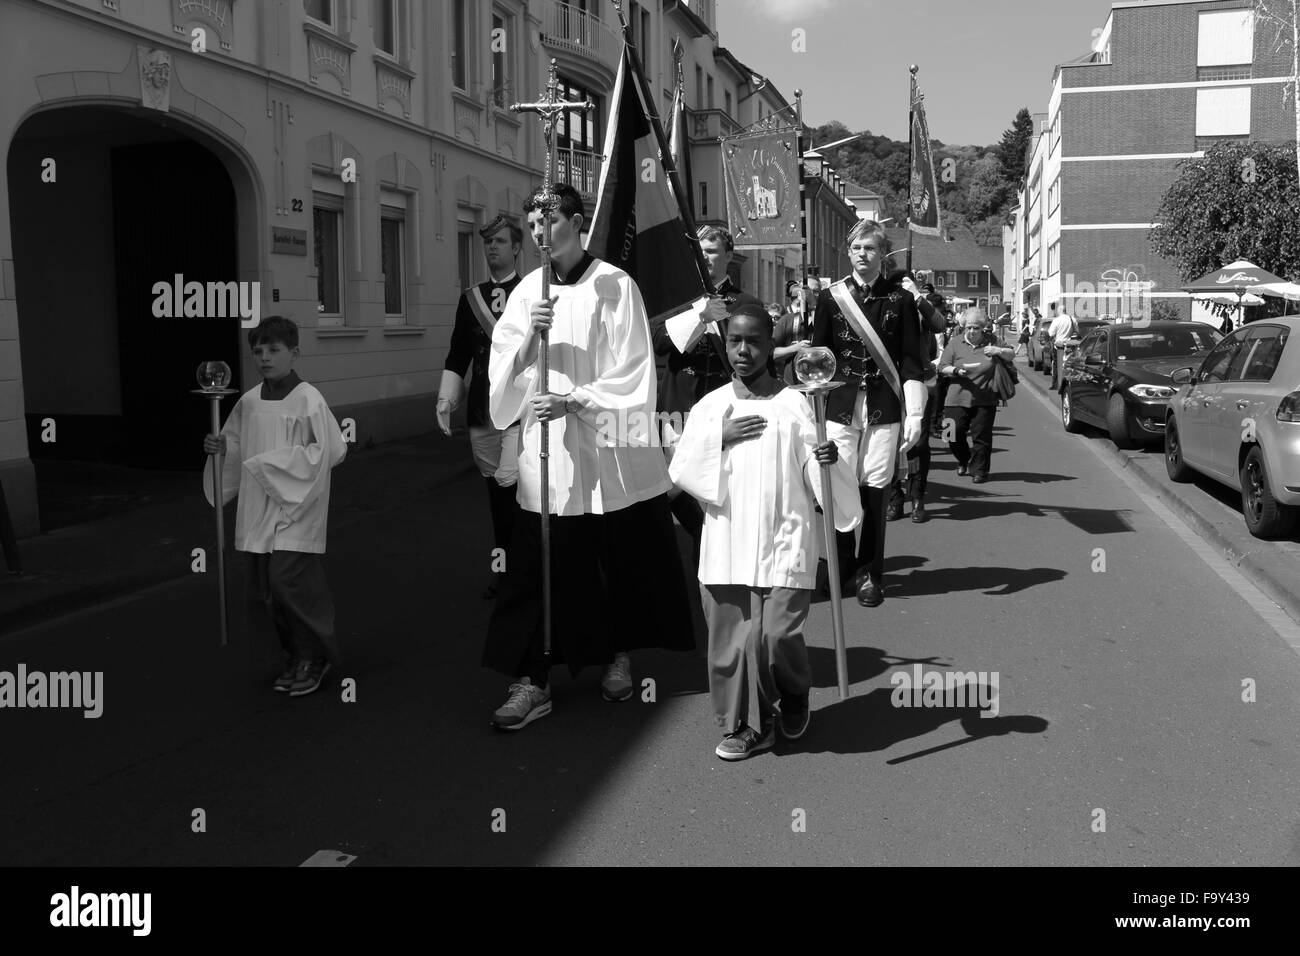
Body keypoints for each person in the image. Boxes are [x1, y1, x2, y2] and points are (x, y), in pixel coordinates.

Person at [483, 183, 694, 730]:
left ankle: (617, 653)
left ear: (576, 223)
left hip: (604, 452)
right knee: (538, 566)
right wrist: (531, 337)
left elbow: (633, 374)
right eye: (530, 226)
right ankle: (533, 678)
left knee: (609, 558)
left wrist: (574, 398)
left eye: (547, 223)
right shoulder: (530, 290)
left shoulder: (614, 286)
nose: (536, 236)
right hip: (547, 454)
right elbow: (502, 378)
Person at [668, 305, 858, 760]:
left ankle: (793, 695)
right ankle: (746, 725)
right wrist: (719, 437)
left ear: (771, 346)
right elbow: (681, 471)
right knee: (731, 643)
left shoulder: (798, 405)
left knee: (774, 636)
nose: (743, 351)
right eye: (735, 341)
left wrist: (828, 461)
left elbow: (823, 482)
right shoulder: (711, 407)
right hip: (728, 542)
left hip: (785, 538)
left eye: (754, 341)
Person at [202, 316, 348, 697]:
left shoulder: (307, 398)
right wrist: (219, 450)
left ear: (294, 353)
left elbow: (332, 449)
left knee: (289, 581)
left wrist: (276, 469)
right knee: (265, 589)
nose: (264, 358)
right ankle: (293, 657)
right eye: (258, 351)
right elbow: (234, 444)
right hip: (257, 505)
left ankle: (315, 656)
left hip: (297, 507)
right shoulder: (249, 401)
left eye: (273, 350)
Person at [810, 219, 928, 607]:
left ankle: (869, 574)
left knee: (876, 490)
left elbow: (912, 361)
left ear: (883, 254)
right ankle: (841, 567)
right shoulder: (831, 298)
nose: (863, 255)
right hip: (840, 407)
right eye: (857, 248)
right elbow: (818, 358)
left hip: (884, 406)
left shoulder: (901, 300)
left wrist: (915, 414)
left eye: (871, 248)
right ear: (848, 252)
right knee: (838, 488)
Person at [437, 214, 523, 599]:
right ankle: (504, 568)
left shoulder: (532, 293)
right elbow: (459, 354)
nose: (492, 247)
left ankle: (526, 568)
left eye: (501, 241)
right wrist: (446, 396)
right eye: (488, 242)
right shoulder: (470, 298)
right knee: (497, 497)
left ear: (518, 248)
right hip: (481, 413)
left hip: (521, 411)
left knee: (515, 488)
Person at [886, 273, 947, 523]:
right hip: (887, 382)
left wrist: (917, 295)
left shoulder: (916, 306)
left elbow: (939, 324)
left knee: (918, 445)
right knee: (888, 442)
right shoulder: (882, 305)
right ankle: (894, 498)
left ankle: (918, 496)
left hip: (917, 381)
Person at [938, 308, 1014, 484]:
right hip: (955, 398)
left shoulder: (993, 341)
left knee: (982, 437)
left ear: (983, 328)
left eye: (976, 328)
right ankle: (964, 459)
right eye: (969, 328)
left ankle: (979, 471)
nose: (972, 332)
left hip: (985, 399)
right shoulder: (955, 343)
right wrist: (957, 370)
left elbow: (1011, 354)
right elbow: (942, 367)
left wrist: (999, 351)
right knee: (950, 434)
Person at [772, 284, 814, 382]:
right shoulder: (786, 320)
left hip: (822, 385)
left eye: (815, 291)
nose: (811, 295)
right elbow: (771, 354)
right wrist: (795, 348)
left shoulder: (828, 320)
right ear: (799, 295)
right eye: (806, 291)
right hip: (792, 385)